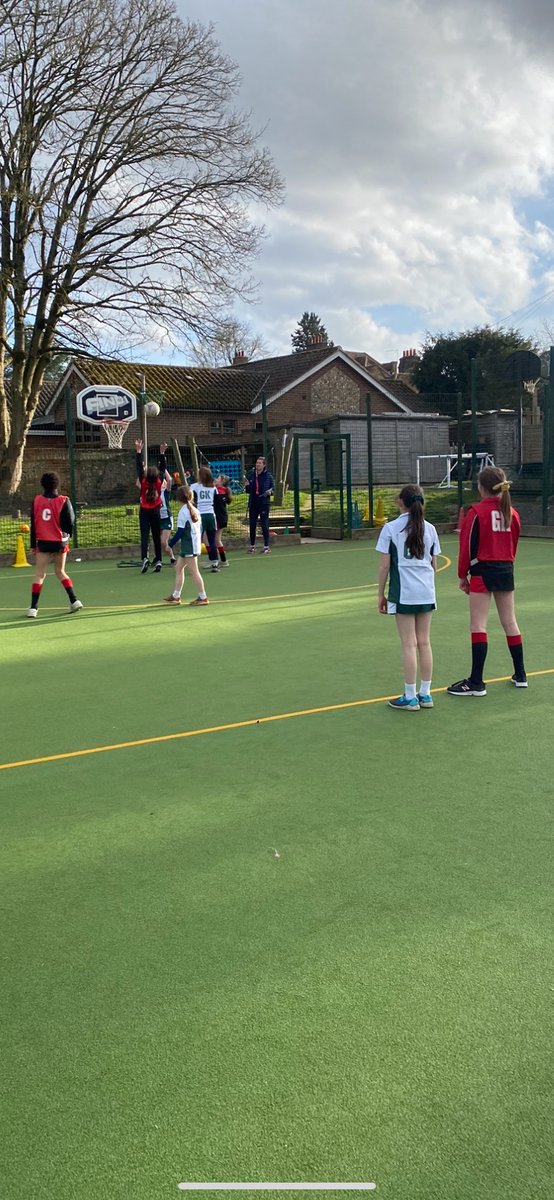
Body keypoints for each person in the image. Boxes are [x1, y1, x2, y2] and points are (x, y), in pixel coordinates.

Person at [447, 466, 527, 696]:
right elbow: (513, 545)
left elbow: (466, 547)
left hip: (482, 571)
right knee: (510, 622)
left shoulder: (476, 513)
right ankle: (520, 675)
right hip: (505, 570)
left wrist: (462, 575)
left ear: (482, 488)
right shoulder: (512, 513)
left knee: (478, 625)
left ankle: (476, 682)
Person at [376, 484, 441, 710]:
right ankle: (426, 694)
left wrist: (381, 594)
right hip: (426, 592)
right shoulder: (430, 529)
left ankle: (410, 696)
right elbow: (434, 565)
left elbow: (385, 566)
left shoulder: (391, 528)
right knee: (424, 642)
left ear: (400, 502)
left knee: (409, 644)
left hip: (403, 592)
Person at [27, 472, 83, 618]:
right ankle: (74, 600)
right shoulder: (64, 500)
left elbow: (33, 523)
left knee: (40, 574)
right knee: (60, 572)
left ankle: (33, 608)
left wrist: (33, 544)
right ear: (57, 484)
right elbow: (70, 521)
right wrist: (67, 536)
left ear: (42, 485)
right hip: (59, 542)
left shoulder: (37, 501)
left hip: (43, 542)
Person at [164, 485, 209, 606]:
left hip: (190, 546)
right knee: (178, 568)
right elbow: (201, 528)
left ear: (178, 499)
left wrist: (170, 544)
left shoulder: (183, 512)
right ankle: (176, 596)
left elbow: (180, 532)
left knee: (194, 572)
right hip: (190, 544)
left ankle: (203, 597)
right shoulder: (195, 510)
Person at [135, 438, 164, 573]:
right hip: (156, 511)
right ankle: (158, 560)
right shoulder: (158, 482)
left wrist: (138, 451)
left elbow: (139, 468)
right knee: (156, 536)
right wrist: (162, 453)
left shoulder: (143, 481)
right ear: (157, 476)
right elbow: (162, 468)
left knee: (144, 536)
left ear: (146, 475)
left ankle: (145, 558)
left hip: (144, 511)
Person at [191, 466, 220, 572]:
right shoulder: (213, 488)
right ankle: (214, 562)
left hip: (200, 516)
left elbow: (189, 494)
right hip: (211, 515)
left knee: (197, 539)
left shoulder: (195, 486)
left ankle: (193, 563)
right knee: (212, 539)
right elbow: (216, 502)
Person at [244, 456, 274, 553]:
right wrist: (247, 486)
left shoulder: (268, 476)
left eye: (260, 463)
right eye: (257, 463)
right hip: (253, 503)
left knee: (264, 524)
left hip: (264, 503)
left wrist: (270, 492)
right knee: (252, 524)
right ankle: (252, 546)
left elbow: (273, 489)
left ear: (264, 465)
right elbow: (249, 491)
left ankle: (266, 547)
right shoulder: (252, 475)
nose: (257, 465)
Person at [157, 443, 176, 567]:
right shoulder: (154, 491)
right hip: (157, 518)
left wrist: (164, 469)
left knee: (164, 542)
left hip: (167, 518)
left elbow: (169, 480)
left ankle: (173, 558)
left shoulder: (165, 492)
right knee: (160, 543)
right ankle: (171, 558)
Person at [213, 474, 232, 566]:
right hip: (221, 517)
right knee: (216, 539)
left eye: (218, 478)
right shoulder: (222, 491)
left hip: (219, 518)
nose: (215, 479)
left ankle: (220, 560)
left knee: (216, 539)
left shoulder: (219, 492)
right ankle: (221, 560)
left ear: (222, 482)